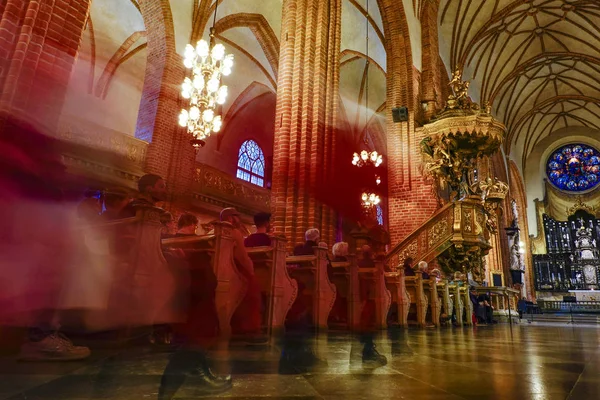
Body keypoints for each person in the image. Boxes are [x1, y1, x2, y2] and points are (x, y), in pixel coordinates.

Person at [159, 213, 231, 397]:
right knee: (199, 333)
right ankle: (184, 381)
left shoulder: (170, 240)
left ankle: (199, 371)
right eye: (195, 225)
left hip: (182, 292)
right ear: (191, 224)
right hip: (193, 292)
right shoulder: (198, 241)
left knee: (194, 336)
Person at [220, 208, 264, 343]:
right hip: (233, 270)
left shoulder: (214, 231)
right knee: (252, 288)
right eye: (237, 216)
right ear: (230, 218)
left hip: (219, 269)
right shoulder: (235, 232)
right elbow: (242, 257)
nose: (240, 219)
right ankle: (249, 329)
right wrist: (251, 270)